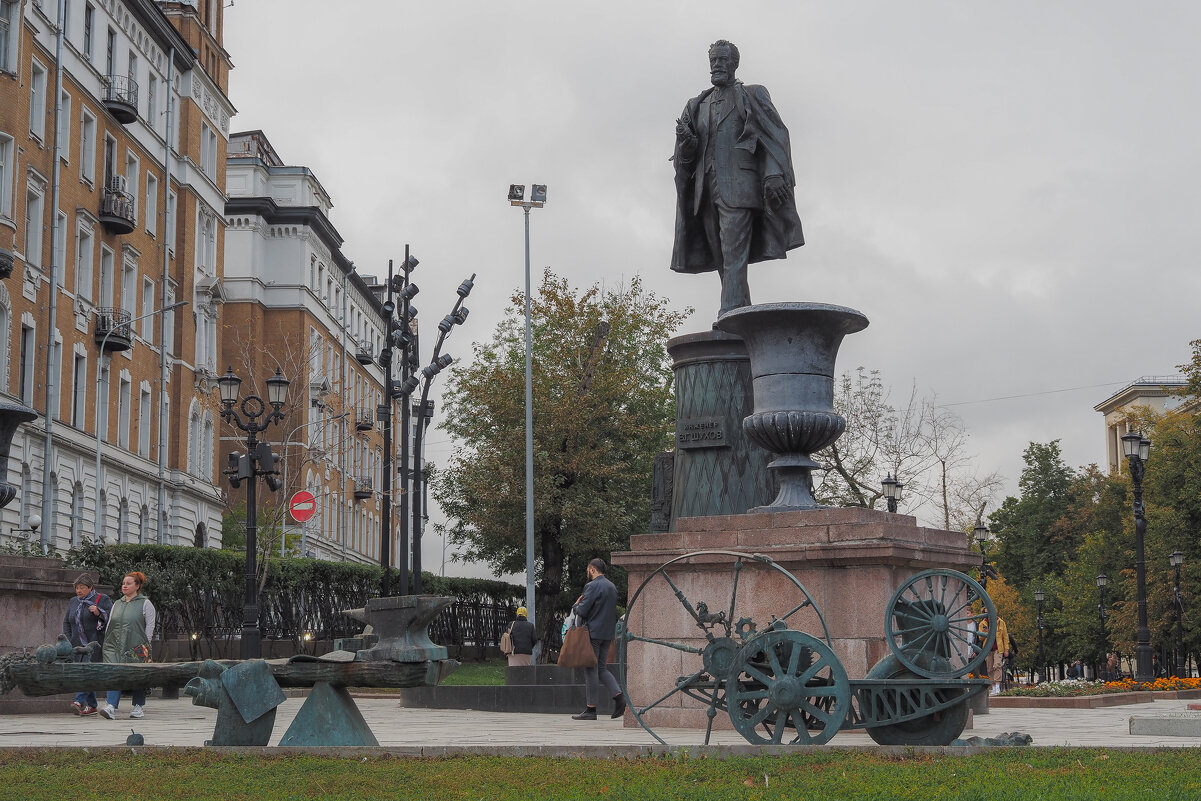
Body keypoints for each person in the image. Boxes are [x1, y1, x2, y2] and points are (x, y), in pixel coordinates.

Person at [671, 39, 805, 318]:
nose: (717, 66)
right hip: (705, 191)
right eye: (713, 61)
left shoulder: (752, 95)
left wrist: (773, 174)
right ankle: (741, 311)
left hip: (740, 188)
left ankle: (729, 315)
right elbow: (686, 159)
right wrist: (686, 144)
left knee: (733, 252)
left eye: (722, 61)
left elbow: (774, 137)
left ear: (734, 64)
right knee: (721, 255)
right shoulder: (696, 105)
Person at [569, 558, 626, 721]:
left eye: (588, 570)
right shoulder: (611, 586)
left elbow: (584, 610)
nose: (588, 573)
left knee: (591, 669)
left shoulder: (592, 586)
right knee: (601, 668)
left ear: (592, 569)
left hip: (592, 633)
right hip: (608, 633)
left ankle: (591, 709)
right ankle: (619, 697)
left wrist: (575, 606)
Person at [99, 571, 155, 721]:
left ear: (137, 586)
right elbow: (110, 623)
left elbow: (150, 626)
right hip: (115, 645)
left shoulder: (145, 603)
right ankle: (111, 706)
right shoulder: (117, 603)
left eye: (128, 583)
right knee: (114, 673)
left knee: (136, 675)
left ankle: (138, 706)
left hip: (136, 646)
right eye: (123, 583)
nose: (124, 586)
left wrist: (145, 646)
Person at [62, 575, 112, 716]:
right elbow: (67, 622)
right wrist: (69, 638)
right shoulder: (73, 601)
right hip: (77, 644)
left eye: (82, 588)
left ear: (90, 588)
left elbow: (111, 617)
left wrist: (99, 613)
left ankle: (78, 701)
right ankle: (92, 706)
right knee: (83, 672)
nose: (78, 591)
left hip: (94, 644)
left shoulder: (103, 599)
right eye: (77, 588)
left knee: (87, 672)